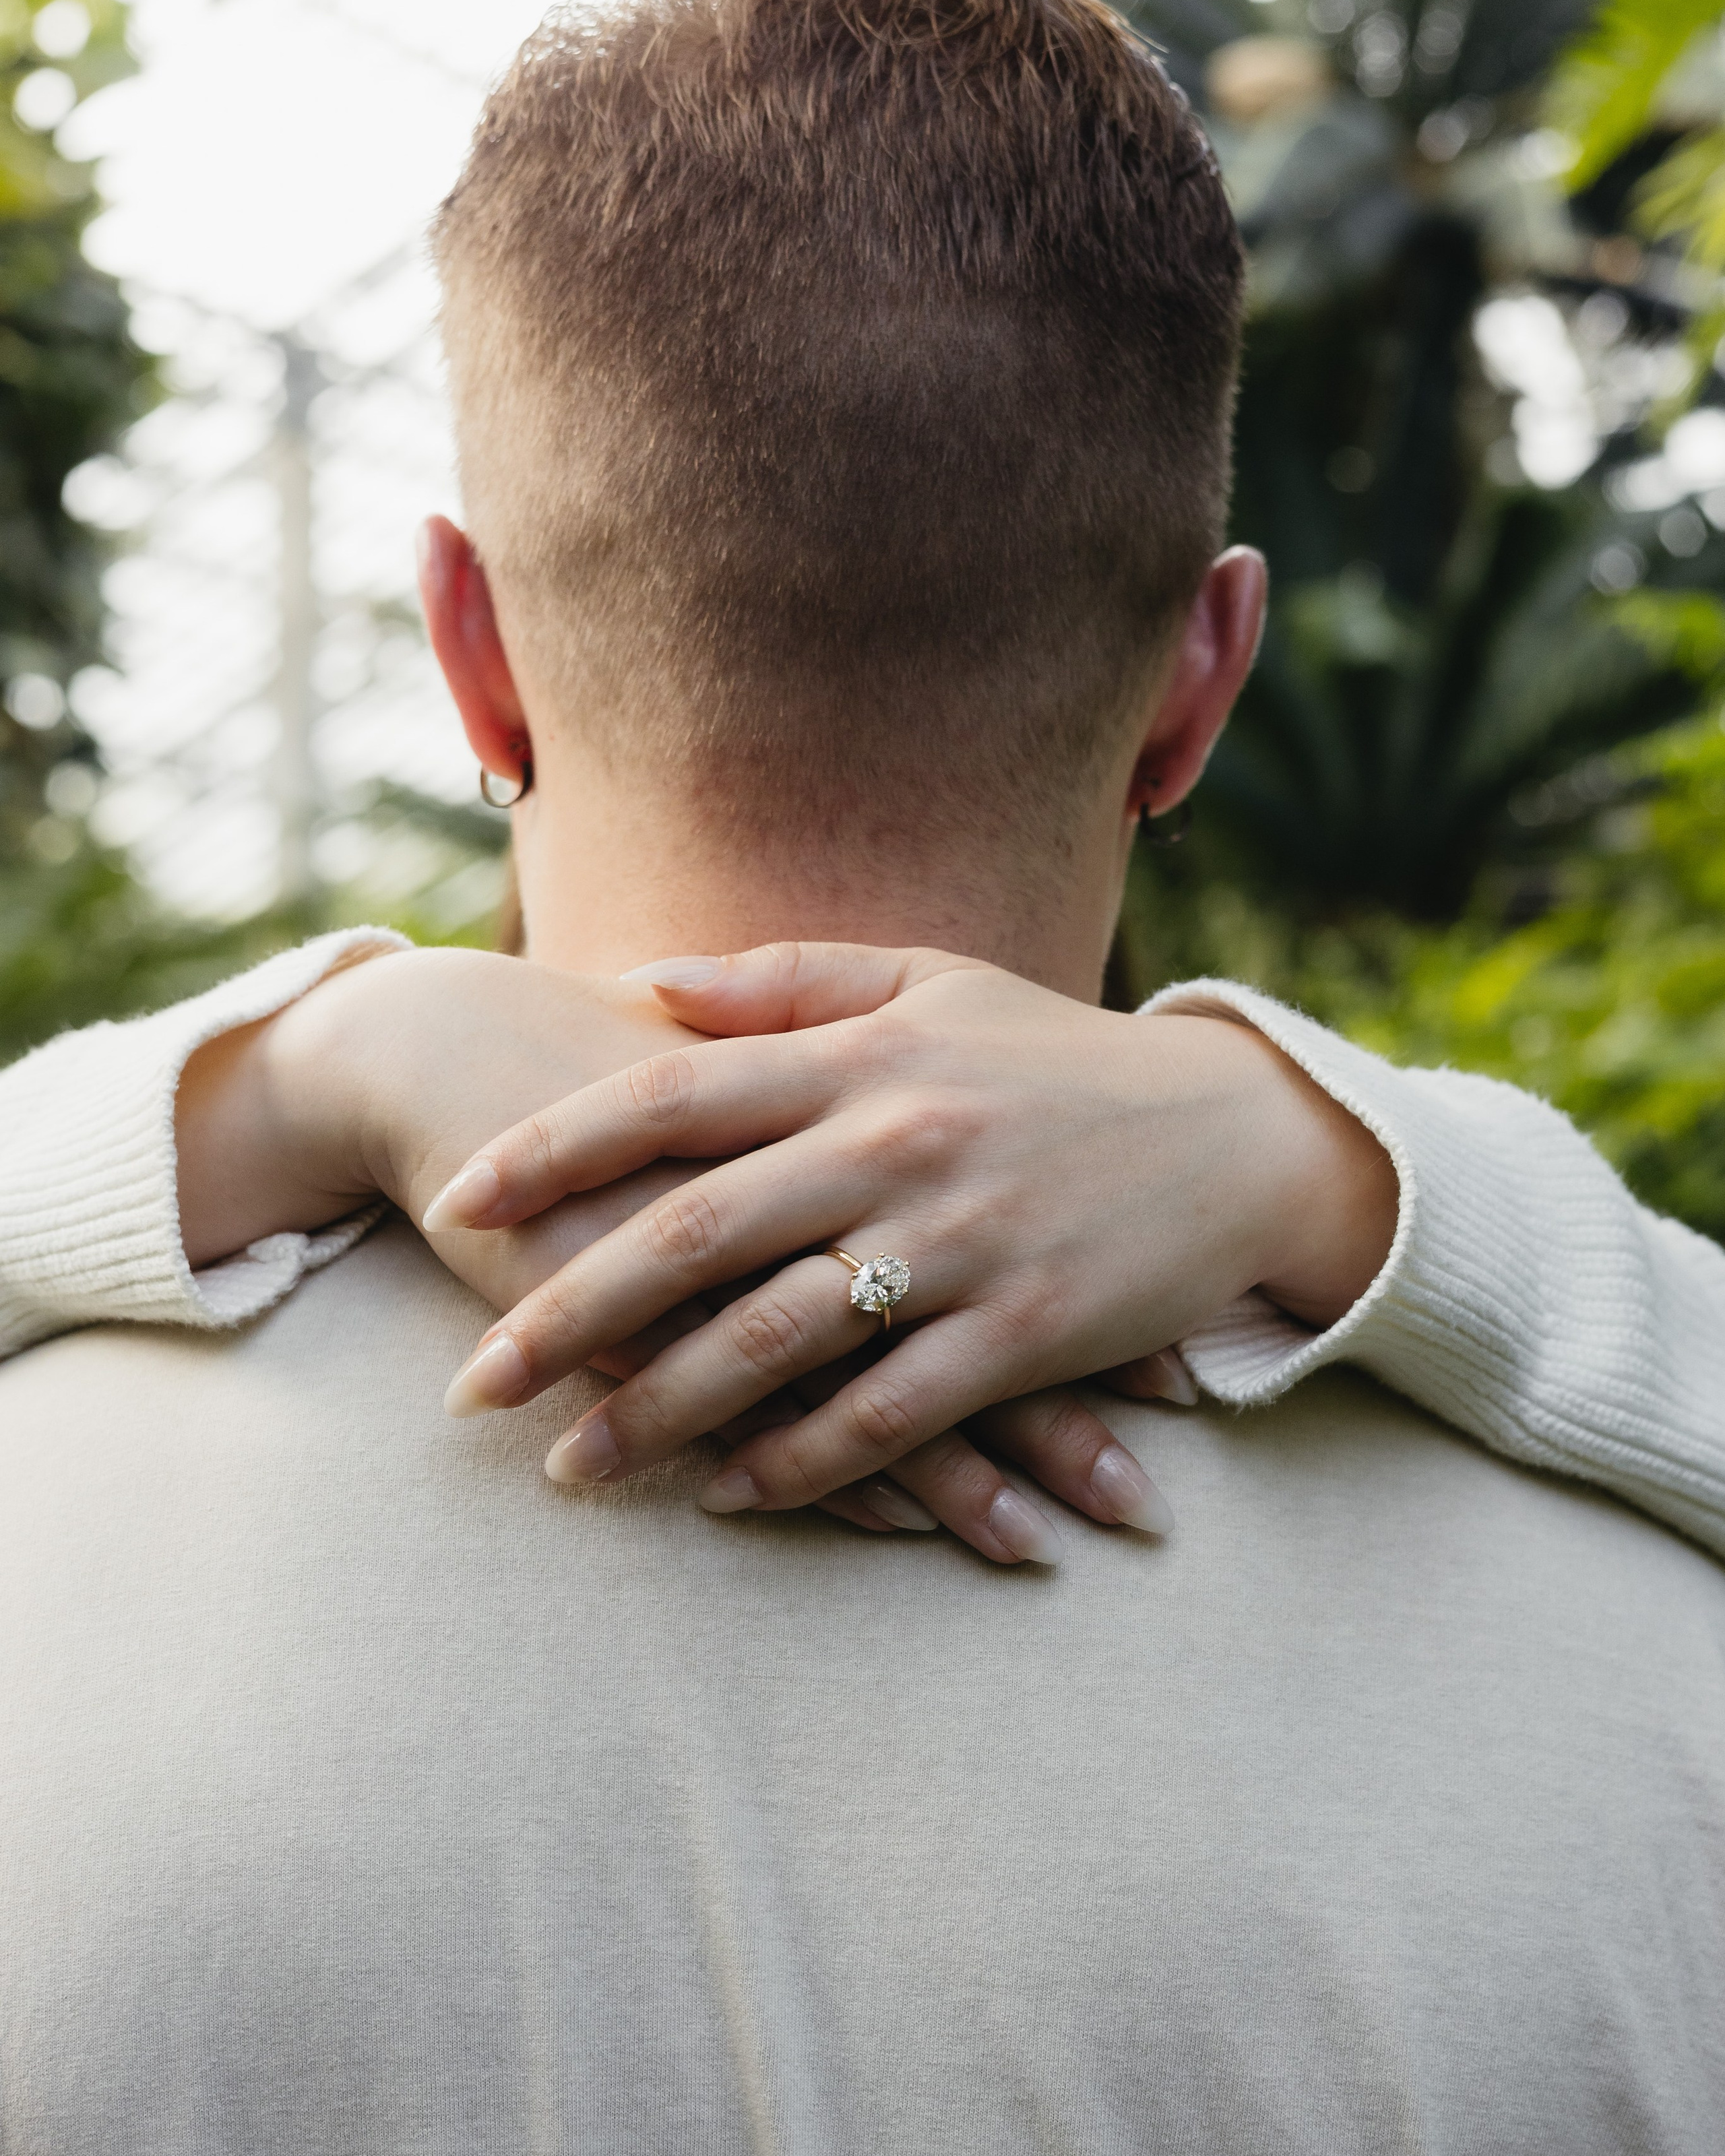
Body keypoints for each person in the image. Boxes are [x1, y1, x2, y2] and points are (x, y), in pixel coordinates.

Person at [1, 1, 1723, 2145]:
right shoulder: (1661, 1670)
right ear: (1201, 685)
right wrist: (1344, 1166)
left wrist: (294, 1058)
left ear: (471, 647)